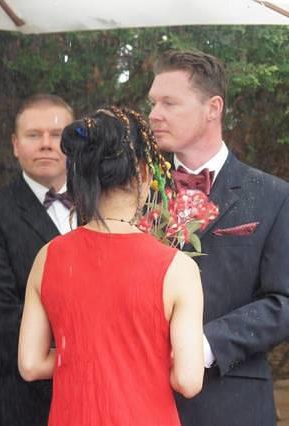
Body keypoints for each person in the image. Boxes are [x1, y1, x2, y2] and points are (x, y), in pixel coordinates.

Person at [18, 106, 204, 425]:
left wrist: (83, 355)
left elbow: (30, 364)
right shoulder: (177, 268)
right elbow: (188, 381)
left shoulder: (48, 256)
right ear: (143, 173)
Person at [147, 49, 289, 426]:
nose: (154, 114)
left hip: (232, 404)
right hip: (141, 400)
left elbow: (284, 301)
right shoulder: (138, 194)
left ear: (213, 108)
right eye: (152, 103)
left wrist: (204, 344)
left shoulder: (275, 197)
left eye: (169, 103)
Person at [0, 94, 74, 426]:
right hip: (18, 405)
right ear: (15, 145)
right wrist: (90, 348)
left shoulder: (103, 210)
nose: (46, 144)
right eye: (34, 135)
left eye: (57, 135)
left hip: (93, 401)